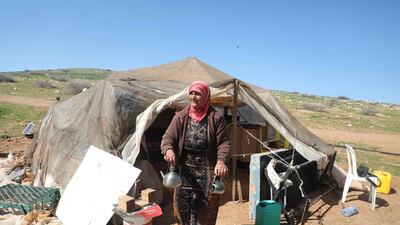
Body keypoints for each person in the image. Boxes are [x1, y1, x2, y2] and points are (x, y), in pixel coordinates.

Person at [161, 80, 230, 225]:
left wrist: (221, 161)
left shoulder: (216, 118)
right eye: (191, 93)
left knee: (204, 214)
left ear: (205, 96)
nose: (193, 97)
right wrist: (168, 150)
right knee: (182, 211)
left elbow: (223, 142)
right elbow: (168, 138)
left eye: (197, 94)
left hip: (209, 173)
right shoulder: (180, 117)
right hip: (184, 173)